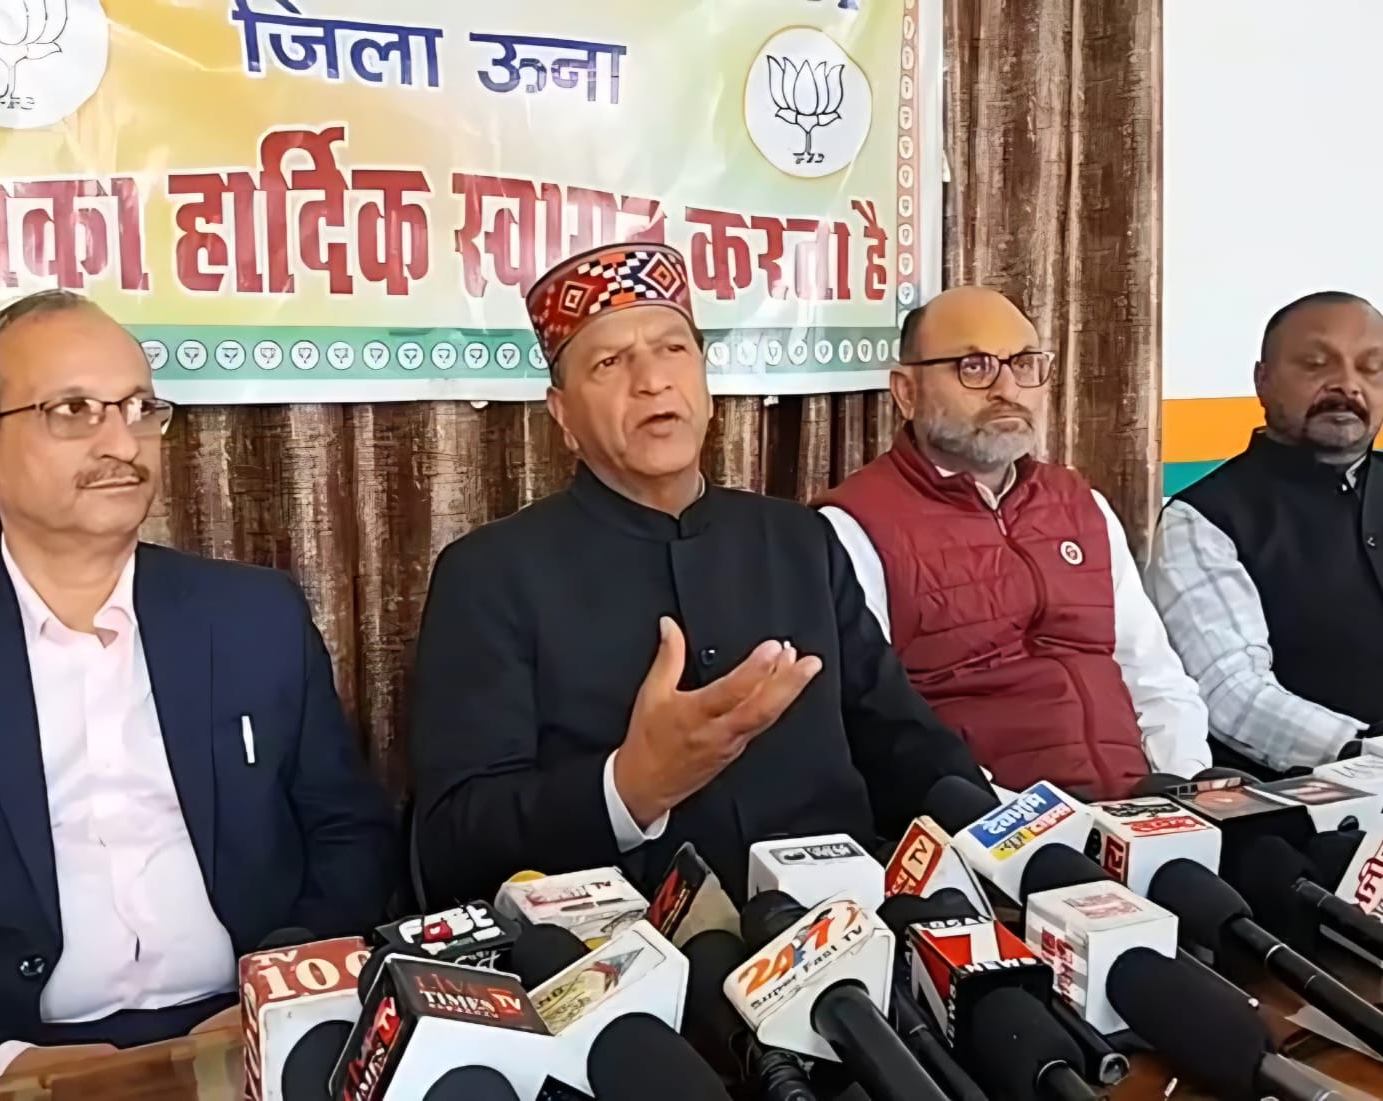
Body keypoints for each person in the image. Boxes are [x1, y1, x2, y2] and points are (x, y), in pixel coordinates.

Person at [0, 291, 397, 1099]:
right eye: (73, 410)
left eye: (140, 407)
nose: (122, 442)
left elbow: (350, 837)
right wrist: (4, 1067)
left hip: (247, 1030)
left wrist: (274, 996)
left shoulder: (255, 616)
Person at [408, 242, 990, 907]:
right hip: (627, 951)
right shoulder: (489, 576)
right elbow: (451, 843)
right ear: (562, 415)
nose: (652, 381)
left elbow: (904, 742)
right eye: (609, 362)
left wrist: (1007, 843)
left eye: (672, 349)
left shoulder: (801, 541)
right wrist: (629, 787)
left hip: (847, 927)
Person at [814, 287, 1210, 800]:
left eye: (1023, 364)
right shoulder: (852, 527)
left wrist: (1183, 786)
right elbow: (881, 728)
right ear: (907, 392)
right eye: (974, 367)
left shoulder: (1082, 505)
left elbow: (1154, 676)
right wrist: (1024, 821)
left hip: (1138, 805)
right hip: (988, 824)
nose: (1008, 388)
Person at [1145, 291, 1383, 774]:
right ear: (1263, 381)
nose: (1347, 384)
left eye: (1371, 368)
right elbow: (1234, 694)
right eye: (1316, 364)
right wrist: (1364, 753)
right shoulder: (1203, 519)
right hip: (1310, 798)